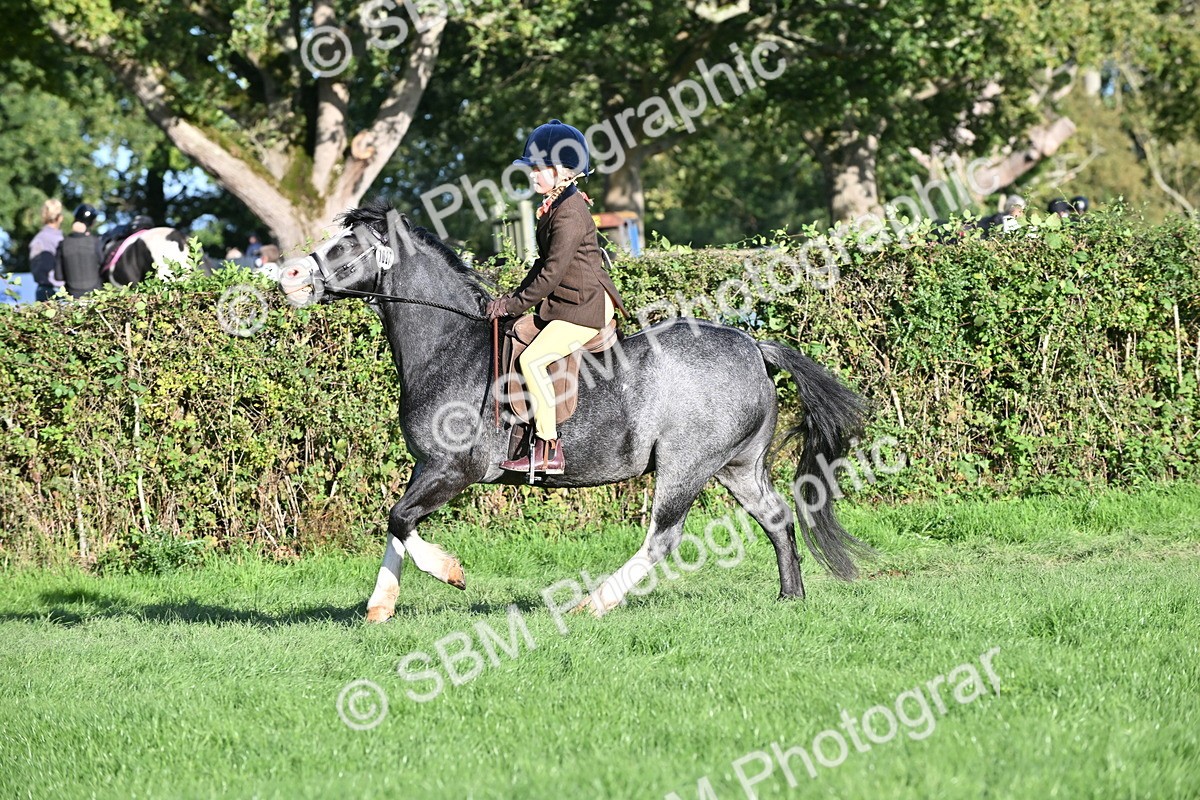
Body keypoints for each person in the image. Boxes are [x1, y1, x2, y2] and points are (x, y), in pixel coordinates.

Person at [485, 119, 627, 475]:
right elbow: (542, 263)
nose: (531, 175)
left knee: (532, 360)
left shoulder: (571, 213)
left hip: (584, 306)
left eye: (537, 168)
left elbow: (551, 276)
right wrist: (512, 299)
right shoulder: (557, 204)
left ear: (562, 171)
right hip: (568, 300)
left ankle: (548, 449)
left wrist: (512, 306)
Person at [53, 204, 104, 299]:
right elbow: (103, 266)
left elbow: (58, 276)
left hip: (72, 299)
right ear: (91, 223)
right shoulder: (95, 242)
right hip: (95, 297)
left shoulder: (63, 244)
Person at [29, 199, 64, 301]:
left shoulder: (37, 239)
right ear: (60, 217)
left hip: (42, 290)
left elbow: (37, 271)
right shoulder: (60, 240)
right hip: (56, 291)